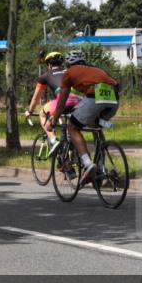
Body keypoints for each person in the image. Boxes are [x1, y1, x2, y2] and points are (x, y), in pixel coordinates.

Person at [47, 50, 120, 185]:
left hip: (94, 98)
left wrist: (54, 119)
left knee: (72, 127)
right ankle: (100, 168)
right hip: (113, 100)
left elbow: (62, 101)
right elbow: (117, 84)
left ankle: (88, 164)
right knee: (96, 127)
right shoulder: (96, 69)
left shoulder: (69, 73)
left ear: (68, 64)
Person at [24, 51, 81, 151]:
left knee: (42, 114)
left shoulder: (45, 76)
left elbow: (36, 98)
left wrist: (30, 111)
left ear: (49, 65)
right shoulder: (68, 72)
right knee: (72, 129)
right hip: (78, 101)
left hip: (62, 101)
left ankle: (53, 140)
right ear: (61, 64)